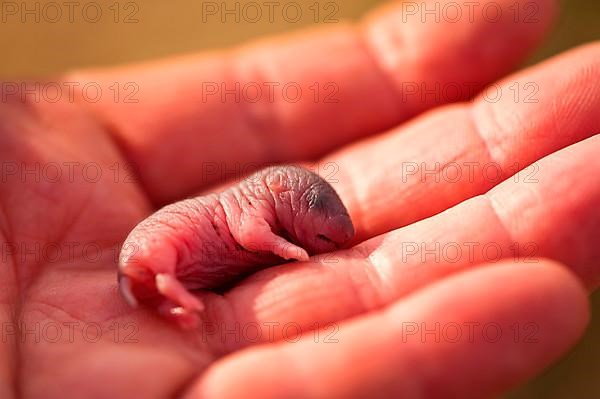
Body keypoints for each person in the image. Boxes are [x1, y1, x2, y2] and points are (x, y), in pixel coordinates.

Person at [0, 0, 598, 397]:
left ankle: (167, 290)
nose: (333, 230)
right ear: (286, 197)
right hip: (159, 247)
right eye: (320, 219)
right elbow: (252, 236)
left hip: (161, 261)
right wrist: (289, 251)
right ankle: (168, 288)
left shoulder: (276, 197)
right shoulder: (254, 210)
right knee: (163, 266)